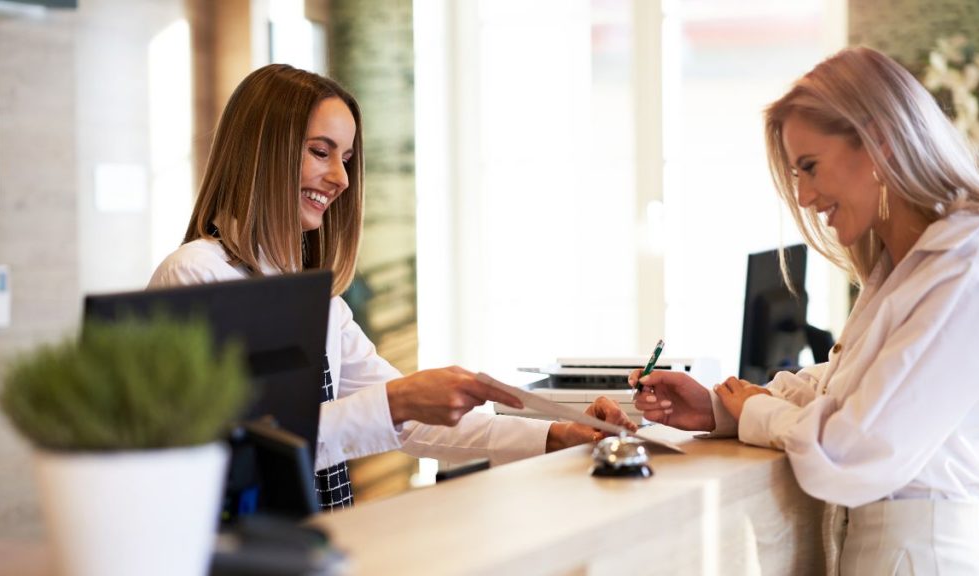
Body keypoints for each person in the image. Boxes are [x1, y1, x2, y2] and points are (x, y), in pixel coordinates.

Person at [149, 64, 635, 512]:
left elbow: (409, 422)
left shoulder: (317, 300)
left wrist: (557, 434)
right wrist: (396, 401)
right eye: (320, 151)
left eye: (347, 158)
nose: (340, 178)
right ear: (264, 152)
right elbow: (235, 450)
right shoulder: (195, 275)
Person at [630, 46, 979, 574]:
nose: (803, 196)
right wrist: (722, 407)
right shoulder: (912, 267)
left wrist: (757, 411)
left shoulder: (965, 262)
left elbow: (849, 452)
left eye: (809, 167)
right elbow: (852, 386)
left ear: (877, 140)